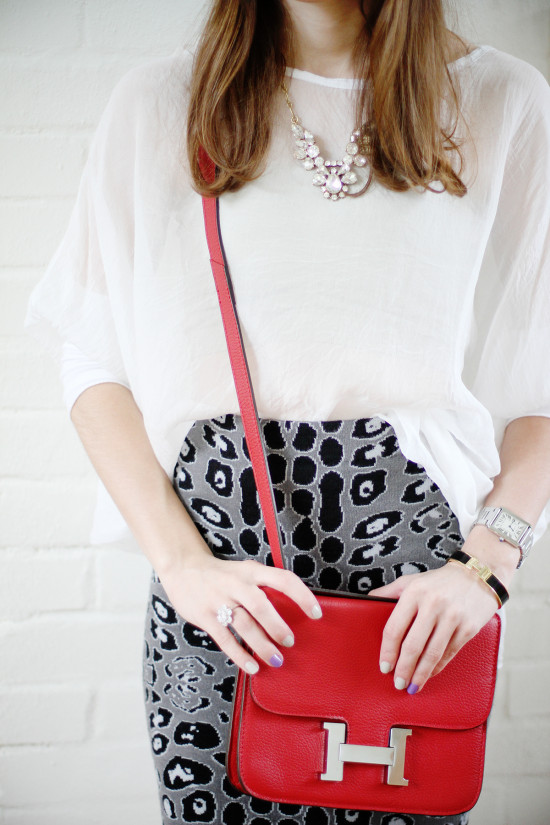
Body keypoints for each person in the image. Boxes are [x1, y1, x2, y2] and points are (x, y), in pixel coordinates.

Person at [24, 1, 550, 823]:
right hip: (224, 598)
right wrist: (182, 566)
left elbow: (541, 380)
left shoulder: (501, 99)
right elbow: (93, 356)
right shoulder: (163, 103)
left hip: (414, 598)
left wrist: (487, 566)